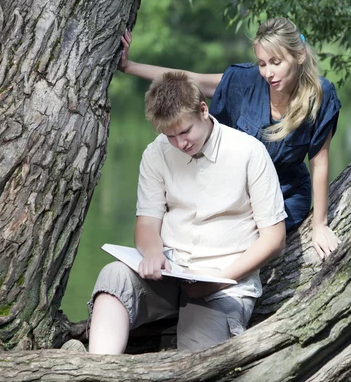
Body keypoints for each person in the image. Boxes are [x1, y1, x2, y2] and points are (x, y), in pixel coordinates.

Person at [86, 72, 287, 353]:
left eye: (185, 132)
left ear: (203, 110)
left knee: (195, 363)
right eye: (170, 136)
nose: (181, 143)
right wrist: (153, 253)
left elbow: (274, 239)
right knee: (114, 276)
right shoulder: (156, 154)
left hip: (225, 282)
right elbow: (146, 224)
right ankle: (99, 370)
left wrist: (218, 282)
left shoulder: (249, 152)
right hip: (170, 272)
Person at [118, 17, 341, 260]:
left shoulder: (321, 96)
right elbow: (192, 80)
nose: (268, 72)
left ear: (299, 56)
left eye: (276, 62)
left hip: (284, 195)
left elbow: (319, 162)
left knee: (246, 244)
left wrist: (320, 225)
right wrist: (129, 66)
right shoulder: (243, 80)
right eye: (262, 63)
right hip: (234, 195)